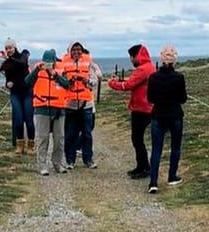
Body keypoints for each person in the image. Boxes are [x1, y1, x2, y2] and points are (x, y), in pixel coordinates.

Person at [109, 44, 155, 179]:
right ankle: (142, 166)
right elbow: (134, 82)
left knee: (137, 139)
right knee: (138, 139)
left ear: (136, 56)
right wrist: (121, 81)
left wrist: (112, 83)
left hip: (142, 108)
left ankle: (144, 167)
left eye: (131, 57)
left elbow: (129, 85)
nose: (130, 60)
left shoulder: (143, 69)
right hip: (146, 107)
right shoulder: (149, 67)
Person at [146, 45, 186, 194]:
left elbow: (150, 98)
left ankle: (153, 182)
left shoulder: (153, 77)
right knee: (175, 147)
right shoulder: (179, 77)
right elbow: (183, 99)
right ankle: (172, 176)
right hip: (175, 115)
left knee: (157, 149)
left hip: (158, 115)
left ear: (161, 58)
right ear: (175, 59)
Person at [25, 49, 73, 176]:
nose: (48, 65)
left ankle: (57, 163)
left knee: (59, 139)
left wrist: (55, 74)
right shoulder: (37, 70)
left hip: (58, 109)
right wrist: (37, 70)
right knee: (42, 138)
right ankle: (42, 165)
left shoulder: (61, 70)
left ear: (55, 61)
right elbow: (27, 82)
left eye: (50, 63)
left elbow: (68, 85)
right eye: (46, 63)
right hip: (42, 108)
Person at [61, 42, 98, 169]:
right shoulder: (64, 64)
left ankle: (88, 160)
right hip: (70, 104)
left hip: (86, 103)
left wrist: (86, 81)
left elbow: (95, 81)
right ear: (70, 51)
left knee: (87, 133)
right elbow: (60, 83)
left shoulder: (88, 63)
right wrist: (69, 82)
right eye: (74, 49)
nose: (76, 52)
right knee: (70, 133)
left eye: (79, 49)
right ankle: (69, 160)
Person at [0, 37, 35, 154]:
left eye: (10, 47)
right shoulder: (8, 63)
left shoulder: (23, 55)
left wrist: (9, 59)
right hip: (15, 93)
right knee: (18, 120)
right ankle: (20, 145)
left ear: (15, 47)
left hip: (27, 92)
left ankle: (32, 145)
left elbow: (23, 63)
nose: (8, 50)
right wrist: (8, 84)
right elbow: (8, 79)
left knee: (29, 120)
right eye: (6, 48)